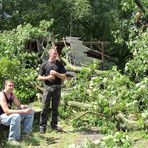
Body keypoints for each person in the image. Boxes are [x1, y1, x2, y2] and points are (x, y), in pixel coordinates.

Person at [37, 47, 66, 134]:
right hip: (47, 88)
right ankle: (42, 127)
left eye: (56, 53)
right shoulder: (44, 64)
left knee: (55, 108)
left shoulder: (60, 64)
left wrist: (56, 73)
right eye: (54, 53)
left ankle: (54, 126)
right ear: (49, 54)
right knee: (44, 107)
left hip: (57, 88)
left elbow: (64, 77)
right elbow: (39, 77)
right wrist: (48, 77)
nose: (55, 55)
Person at [0, 80, 34, 144]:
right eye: (9, 85)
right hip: (2, 117)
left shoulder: (12, 94)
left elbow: (18, 105)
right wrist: (23, 111)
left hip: (8, 116)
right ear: (5, 86)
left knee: (30, 112)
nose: (11, 87)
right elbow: (7, 111)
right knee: (16, 116)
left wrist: (23, 106)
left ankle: (26, 134)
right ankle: (12, 139)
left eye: (13, 86)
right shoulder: (1, 95)